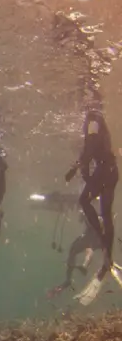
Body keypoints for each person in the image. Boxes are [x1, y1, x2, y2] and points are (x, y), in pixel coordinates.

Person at [65, 109, 117, 280]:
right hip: (110, 170)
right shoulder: (96, 123)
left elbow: (89, 150)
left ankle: (102, 238)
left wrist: (75, 169)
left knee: (85, 201)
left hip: (104, 171)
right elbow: (88, 152)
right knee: (106, 213)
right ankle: (107, 255)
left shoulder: (93, 122)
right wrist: (81, 170)